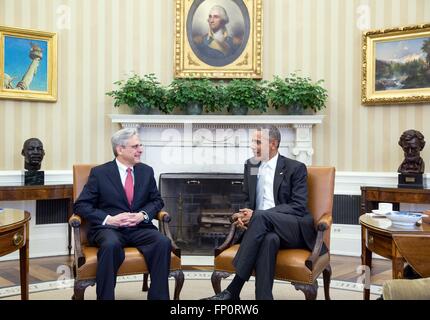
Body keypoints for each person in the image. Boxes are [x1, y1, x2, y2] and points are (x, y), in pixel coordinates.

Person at [203, 125, 325, 300]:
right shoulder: (251, 166)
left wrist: (259, 215)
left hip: (292, 228)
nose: (253, 146)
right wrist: (242, 216)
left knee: (260, 216)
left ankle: (233, 289)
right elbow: (247, 199)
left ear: (273, 144)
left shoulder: (295, 168)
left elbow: (298, 206)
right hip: (261, 230)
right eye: (253, 141)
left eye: (258, 142)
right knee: (269, 239)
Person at [73, 128, 171, 300]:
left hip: (139, 228)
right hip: (109, 229)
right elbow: (81, 205)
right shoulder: (100, 173)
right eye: (135, 146)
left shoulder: (146, 171)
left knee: (162, 242)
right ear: (120, 149)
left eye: (140, 145)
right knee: (110, 245)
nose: (140, 149)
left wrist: (143, 215)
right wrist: (109, 219)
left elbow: (157, 201)